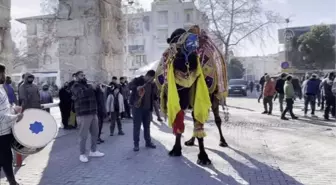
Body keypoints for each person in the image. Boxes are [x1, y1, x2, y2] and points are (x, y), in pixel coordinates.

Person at [71, 71, 104, 163]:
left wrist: (98, 88)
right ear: (76, 77)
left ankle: (93, 151)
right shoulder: (75, 86)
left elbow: (96, 97)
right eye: (82, 75)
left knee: (95, 133)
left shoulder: (88, 86)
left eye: (84, 75)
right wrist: (92, 88)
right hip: (83, 113)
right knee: (83, 135)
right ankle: (82, 154)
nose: (84, 76)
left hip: (93, 112)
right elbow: (81, 94)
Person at [0, 63, 23, 185]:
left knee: (7, 159)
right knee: (5, 159)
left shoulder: (1, 88)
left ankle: (12, 181)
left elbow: (4, 108)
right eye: (2, 73)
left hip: (6, 131)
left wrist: (14, 109)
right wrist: (16, 117)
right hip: (1, 133)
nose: (4, 75)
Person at [129, 70, 157, 151]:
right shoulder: (138, 80)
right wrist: (136, 88)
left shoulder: (152, 84)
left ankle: (148, 142)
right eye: (152, 78)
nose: (152, 80)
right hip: (137, 108)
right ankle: (136, 144)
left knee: (147, 127)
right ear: (148, 76)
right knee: (137, 127)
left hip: (147, 109)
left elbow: (153, 96)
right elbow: (129, 86)